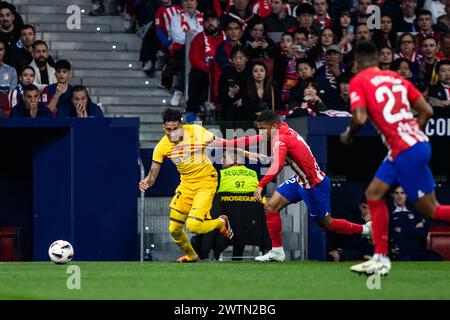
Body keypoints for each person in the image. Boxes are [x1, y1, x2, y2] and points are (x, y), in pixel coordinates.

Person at [340, 40, 450, 275]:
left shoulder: (359, 80)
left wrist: (348, 135)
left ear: (357, 64)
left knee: (377, 195)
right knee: (428, 209)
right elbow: (428, 110)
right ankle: (380, 257)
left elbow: (359, 119)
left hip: (403, 150)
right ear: (378, 60)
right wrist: (411, 132)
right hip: (417, 144)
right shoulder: (397, 78)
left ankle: (380, 258)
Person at [217, 111, 372, 262]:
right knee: (270, 207)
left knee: (326, 223)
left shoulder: (281, 138)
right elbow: (253, 140)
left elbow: (277, 165)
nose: (261, 133)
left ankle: (365, 230)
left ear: (275, 126)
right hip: (299, 180)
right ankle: (277, 252)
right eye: (260, 129)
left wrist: (260, 186)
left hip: (314, 185)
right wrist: (223, 143)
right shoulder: (283, 129)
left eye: (263, 129)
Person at [138, 108, 234, 263]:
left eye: (175, 129)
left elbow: (219, 141)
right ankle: (191, 255)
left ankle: (221, 222)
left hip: (206, 181)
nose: (172, 134)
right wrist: (146, 182)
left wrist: (222, 145)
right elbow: (153, 174)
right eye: (168, 130)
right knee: (174, 229)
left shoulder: (195, 130)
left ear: (181, 125)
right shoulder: (161, 147)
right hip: (186, 185)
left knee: (194, 226)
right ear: (163, 128)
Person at [185, 10, 226, 123]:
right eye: (207, 21)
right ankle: (193, 111)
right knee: (195, 75)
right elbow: (194, 60)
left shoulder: (225, 36)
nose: (210, 23)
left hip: (223, 71)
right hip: (205, 71)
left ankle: (224, 112)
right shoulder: (198, 38)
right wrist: (211, 70)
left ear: (218, 22)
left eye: (212, 20)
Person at [389, 186, 443, 261]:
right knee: (406, 260)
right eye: (396, 193)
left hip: (416, 249)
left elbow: (423, 233)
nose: (399, 196)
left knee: (437, 258)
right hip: (400, 250)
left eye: (402, 193)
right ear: (392, 195)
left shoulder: (416, 212)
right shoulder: (388, 213)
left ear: (406, 195)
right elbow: (392, 234)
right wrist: (414, 229)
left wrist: (402, 230)